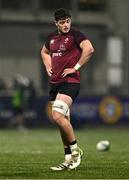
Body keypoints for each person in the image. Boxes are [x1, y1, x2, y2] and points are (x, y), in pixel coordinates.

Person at [41, 8, 94, 171]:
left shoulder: (76, 35)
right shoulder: (51, 37)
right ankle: (68, 158)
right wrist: (47, 65)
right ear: (56, 23)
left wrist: (76, 67)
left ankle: (76, 152)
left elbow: (89, 49)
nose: (66, 24)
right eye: (62, 22)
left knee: (57, 116)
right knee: (63, 123)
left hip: (70, 82)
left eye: (68, 21)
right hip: (55, 84)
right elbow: (44, 51)